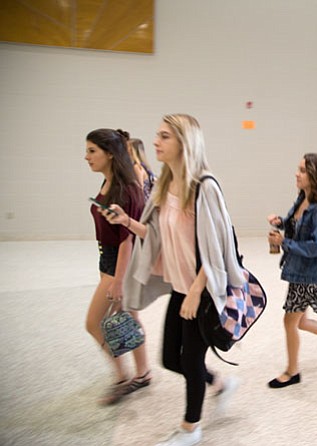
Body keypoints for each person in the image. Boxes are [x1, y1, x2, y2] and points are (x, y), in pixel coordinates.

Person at [102, 114, 240, 446]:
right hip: (181, 288)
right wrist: (127, 222)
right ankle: (220, 382)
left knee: (190, 359)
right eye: (157, 135)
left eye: (164, 136)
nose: (155, 142)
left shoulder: (204, 187)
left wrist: (195, 292)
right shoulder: (165, 185)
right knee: (169, 359)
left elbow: (218, 248)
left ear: (184, 142)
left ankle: (191, 428)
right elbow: (159, 237)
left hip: (202, 290)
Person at [267, 153, 317, 389]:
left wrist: (285, 242)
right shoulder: (303, 197)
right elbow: (294, 221)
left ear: (315, 176)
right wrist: (281, 222)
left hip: (309, 276)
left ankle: (292, 372)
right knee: (300, 322)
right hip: (300, 271)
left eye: (302, 170)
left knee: (289, 321)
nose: (297, 173)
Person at [84, 128, 151, 405]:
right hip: (109, 261)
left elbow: (127, 240)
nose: (86, 157)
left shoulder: (123, 189)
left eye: (92, 151)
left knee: (93, 324)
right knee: (130, 320)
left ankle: (123, 378)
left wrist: (118, 280)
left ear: (110, 154)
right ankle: (143, 373)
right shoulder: (110, 183)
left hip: (118, 264)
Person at [126, 135, 157, 201]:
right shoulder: (143, 166)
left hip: (143, 204)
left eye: (126, 147)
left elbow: (139, 189)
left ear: (132, 150)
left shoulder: (137, 167)